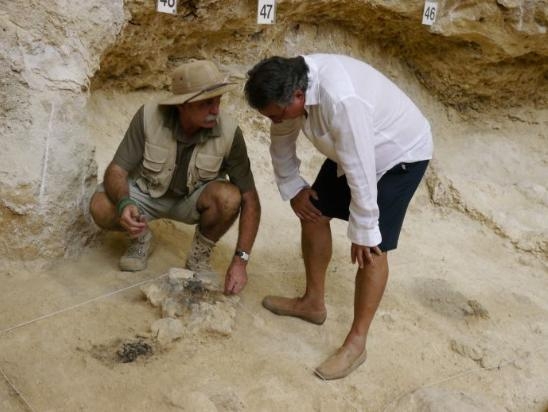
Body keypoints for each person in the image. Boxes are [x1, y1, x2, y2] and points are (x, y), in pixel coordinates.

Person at [244, 54, 433, 379]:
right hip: (351, 146)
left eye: (276, 115)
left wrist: (363, 229)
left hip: (398, 154)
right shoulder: (289, 88)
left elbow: (360, 165)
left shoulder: (341, 99)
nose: (274, 122)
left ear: (298, 97)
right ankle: (312, 304)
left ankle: (356, 344)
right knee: (312, 212)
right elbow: (282, 142)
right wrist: (293, 187)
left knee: (373, 248)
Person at [90, 60, 261, 295]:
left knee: (230, 197)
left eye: (218, 101)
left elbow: (250, 199)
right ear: (182, 105)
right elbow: (116, 171)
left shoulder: (230, 132)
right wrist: (124, 203)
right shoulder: (149, 117)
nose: (215, 110)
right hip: (146, 195)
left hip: (193, 201)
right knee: (100, 205)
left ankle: (198, 257)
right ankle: (140, 238)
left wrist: (241, 261)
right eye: (206, 103)